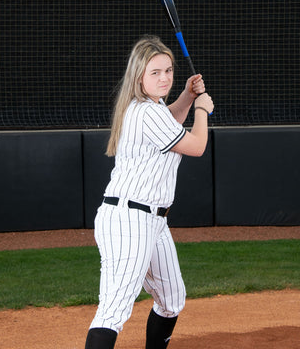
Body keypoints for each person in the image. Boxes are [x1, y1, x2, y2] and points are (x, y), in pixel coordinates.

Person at [85, 35, 214, 349]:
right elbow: (196, 146)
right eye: (155, 72)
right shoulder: (144, 112)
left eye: (168, 71)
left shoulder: (153, 109)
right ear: (139, 76)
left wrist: (185, 95)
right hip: (128, 220)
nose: (165, 78)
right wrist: (202, 109)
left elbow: (170, 121)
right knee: (113, 310)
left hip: (153, 221)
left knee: (172, 300)